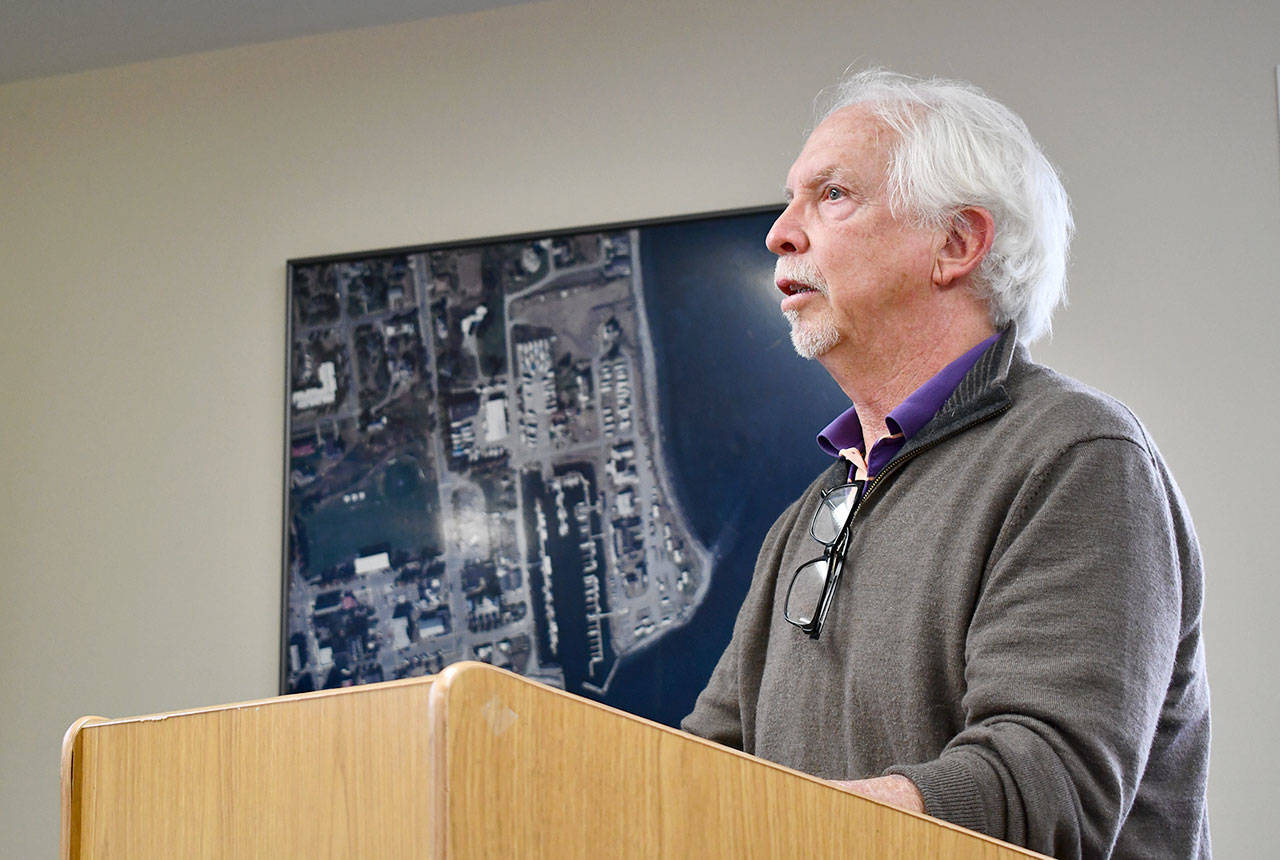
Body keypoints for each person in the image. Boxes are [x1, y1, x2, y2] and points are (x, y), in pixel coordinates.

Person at [681, 69, 1211, 859]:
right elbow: (696, 768)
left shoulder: (1079, 458)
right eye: (793, 199)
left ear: (956, 244)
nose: (780, 233)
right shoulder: (809, 514)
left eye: (831, 196)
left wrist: (772, 827)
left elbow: (1045, 791)